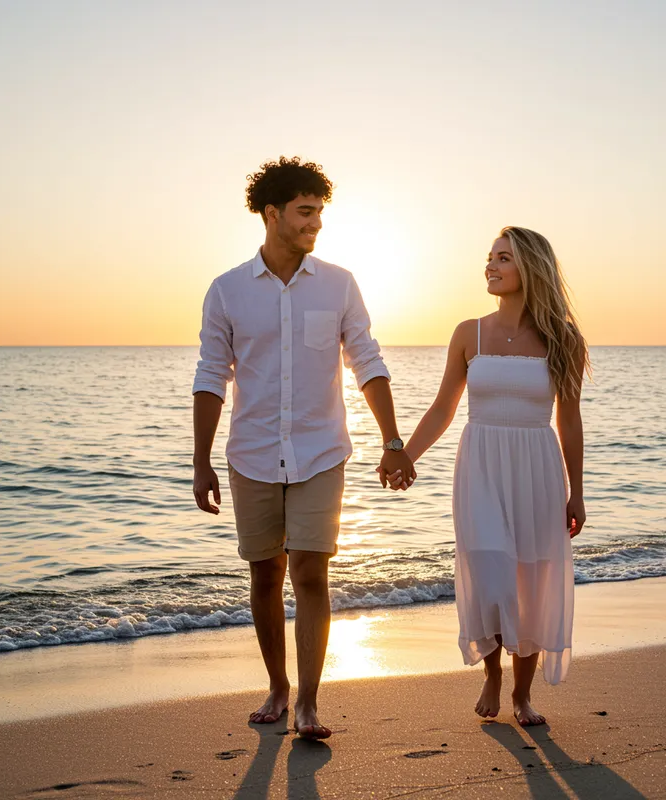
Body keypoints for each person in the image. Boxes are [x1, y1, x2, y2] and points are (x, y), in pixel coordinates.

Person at [192, 156, 416, 739]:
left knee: (311, 571)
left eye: (320, 211)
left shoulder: (339, 284)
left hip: (320, 451)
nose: (316, 222)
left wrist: (393, 441)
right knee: (265, 573)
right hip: (252, 453)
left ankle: (310, 702)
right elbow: (211, 375)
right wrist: (201, 460)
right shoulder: (227, 291)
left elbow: (367, 360)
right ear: (272, 214)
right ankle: (277, 687)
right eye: (305, 211)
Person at [383, 226, 587, 726]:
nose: (490, 267)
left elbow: (571, 419)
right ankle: (492, 673)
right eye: (489, 258)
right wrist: (404, 454)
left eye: (503, 259)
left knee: (533, 579)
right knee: (491, 570)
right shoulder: (468, 333)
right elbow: (442, 409)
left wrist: (577, 492)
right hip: (481, 467)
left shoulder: (563, 338)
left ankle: (521, 694)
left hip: (538, 468)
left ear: (530, 269)